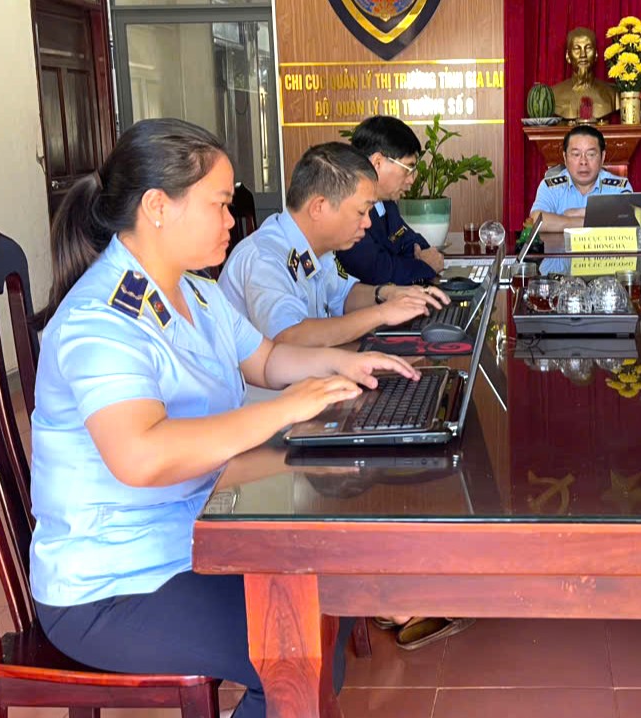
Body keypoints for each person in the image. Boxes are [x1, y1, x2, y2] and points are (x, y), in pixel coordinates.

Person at [28, 118, 423, 718]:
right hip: (114, 582)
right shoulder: (101, 320)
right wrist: (289, 407)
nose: (231, 220)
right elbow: (141, 456)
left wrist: (350, 363)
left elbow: (265, 359)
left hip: (192, 536)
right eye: (218, 204)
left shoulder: (196, 292)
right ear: (158, 207)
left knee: (321, 605)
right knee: (297, 648)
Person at [219, 142, 450, 347]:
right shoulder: (265, 258)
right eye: (361, 212)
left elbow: (344, 295)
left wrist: (387, 293)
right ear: (319, 207)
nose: (368, 223)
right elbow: (290, 336)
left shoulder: (318, 249)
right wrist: (381, 314)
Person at [336, 115, 445, 285]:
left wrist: (403, 262)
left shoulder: (386, 203)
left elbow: (414, 242)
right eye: (408, 169)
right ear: (377, 163)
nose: (412, 180)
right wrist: (424, 266)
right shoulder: (345, 208)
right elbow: (376, 270)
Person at [529, 124, 633, 233]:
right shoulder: (550, 187)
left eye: (591, 154)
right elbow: (536, 220)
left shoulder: (619, 187)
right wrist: (588, 222)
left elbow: (627, 219)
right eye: (576, 154)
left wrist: (575, 214)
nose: (583, 162)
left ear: (602, 157)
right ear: (565, 157)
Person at [549, 27, 618, 122]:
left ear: (596, 54)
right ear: (568, 56)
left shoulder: (612, 94)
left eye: (588, 48)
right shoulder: (553, 95)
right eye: (577, 49)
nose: (583, 55)